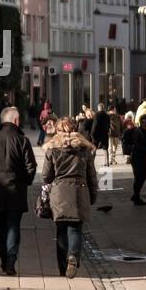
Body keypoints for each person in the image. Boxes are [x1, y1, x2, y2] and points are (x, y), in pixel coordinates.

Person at [0, 106, 37, 276]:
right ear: (16, 121)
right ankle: (10, 260)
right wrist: (25, 181)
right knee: (13, 227)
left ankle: (4, 260)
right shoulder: (22, 140)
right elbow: (31, 166)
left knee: (1, 227)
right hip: (16, 190)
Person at [41, 116, 99, 279]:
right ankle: (73, 256)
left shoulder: (52, 150)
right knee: (75, 229)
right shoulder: (84, 150)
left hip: (59, 193)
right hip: (79, 191)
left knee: (61, 230)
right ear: (75, 130)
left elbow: (46, 176)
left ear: (58, 131)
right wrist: (92, 195)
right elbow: (91, 176)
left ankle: (62, 268)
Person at [123, 113, 146, 205]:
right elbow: (137, 146)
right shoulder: (137, 132)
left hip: (143, 157)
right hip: (136, 158)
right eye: (143, 122)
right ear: (140, 122)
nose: (145, 123)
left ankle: (136, 196)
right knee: (139, 177)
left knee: (143, 176)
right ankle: (136, 197)